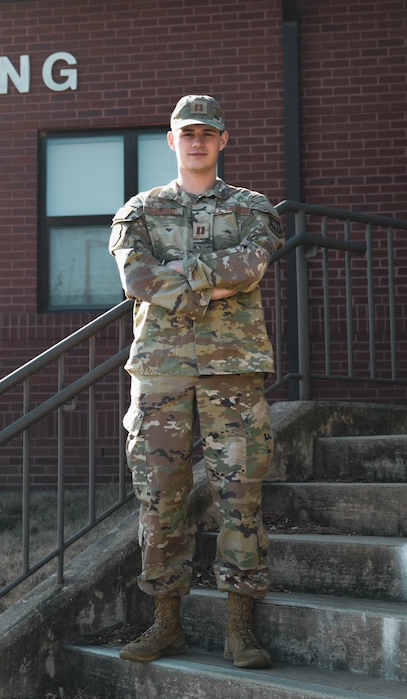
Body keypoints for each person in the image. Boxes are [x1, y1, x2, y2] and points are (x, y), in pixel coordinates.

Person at [108, 94, 283, 669]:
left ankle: (240, 630)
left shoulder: (253, 208)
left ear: (223, 140)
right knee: (160, 501)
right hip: (160, 372)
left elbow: (251, 265)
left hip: (234, 370)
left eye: (208, 132)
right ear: (172, 141)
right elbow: (137, 276)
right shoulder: (140, 209)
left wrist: (184, 274)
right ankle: (166, 625)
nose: (198, 141)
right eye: (188, 133)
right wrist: (212, 284)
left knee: (241, 498)